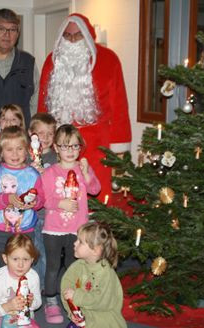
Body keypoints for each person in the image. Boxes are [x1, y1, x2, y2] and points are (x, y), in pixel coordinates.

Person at [38, 13, 132, 202]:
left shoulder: (108, 59)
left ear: (87, 35)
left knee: (97, 197)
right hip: (60, 145)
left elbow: (119, 106)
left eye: (77, 35)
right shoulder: (52, 60)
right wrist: (40, 139)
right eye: (67, 35)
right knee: (61, 195)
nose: (72, 40)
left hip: (98, 145)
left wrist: (119, 147)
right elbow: (42, 105)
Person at [41, 124, 101, 324]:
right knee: (53, 266)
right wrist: (60, 203)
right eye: (65, 147)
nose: (71, 151)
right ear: (56, 148)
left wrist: (86, 174)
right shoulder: (50, 173)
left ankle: (75, 299)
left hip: (78, 229)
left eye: (75, 147)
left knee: (74, 266)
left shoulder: (82, 168)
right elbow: (43, 200)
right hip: (53, 229)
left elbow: (95, 189)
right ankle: (50, 301)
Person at [60, 222, 127, 328]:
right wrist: (71, 311)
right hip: (83, 316)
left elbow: (101, 301)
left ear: (96, 250)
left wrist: (77, 296)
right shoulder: (78, 265)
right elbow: (66, 287)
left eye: (80, 242)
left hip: (103, 317)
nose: (75, 244)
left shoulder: (105, 272)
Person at [0, 126, 44, 273]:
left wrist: (35, 203)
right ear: (1, 152)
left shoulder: (33, 174)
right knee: (0, 270)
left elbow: (42, 200)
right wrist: (6, 199)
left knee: (23, 270)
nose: (15, 153)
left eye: (19, 148)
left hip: (25, 231)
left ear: (27, 150)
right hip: (0, 231)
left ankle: (23, 294)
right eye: (9, 149)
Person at [27, 113, 58, 288]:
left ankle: (43, 288)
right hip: (28, 213)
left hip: (47, 214)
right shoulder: (25, 156)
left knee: (44, 252)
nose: (45, 138)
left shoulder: (56, 159)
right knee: (30, 250)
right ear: (31, 133)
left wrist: (45, 174)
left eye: (50, 134)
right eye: (41, 133)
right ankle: (29, 285)